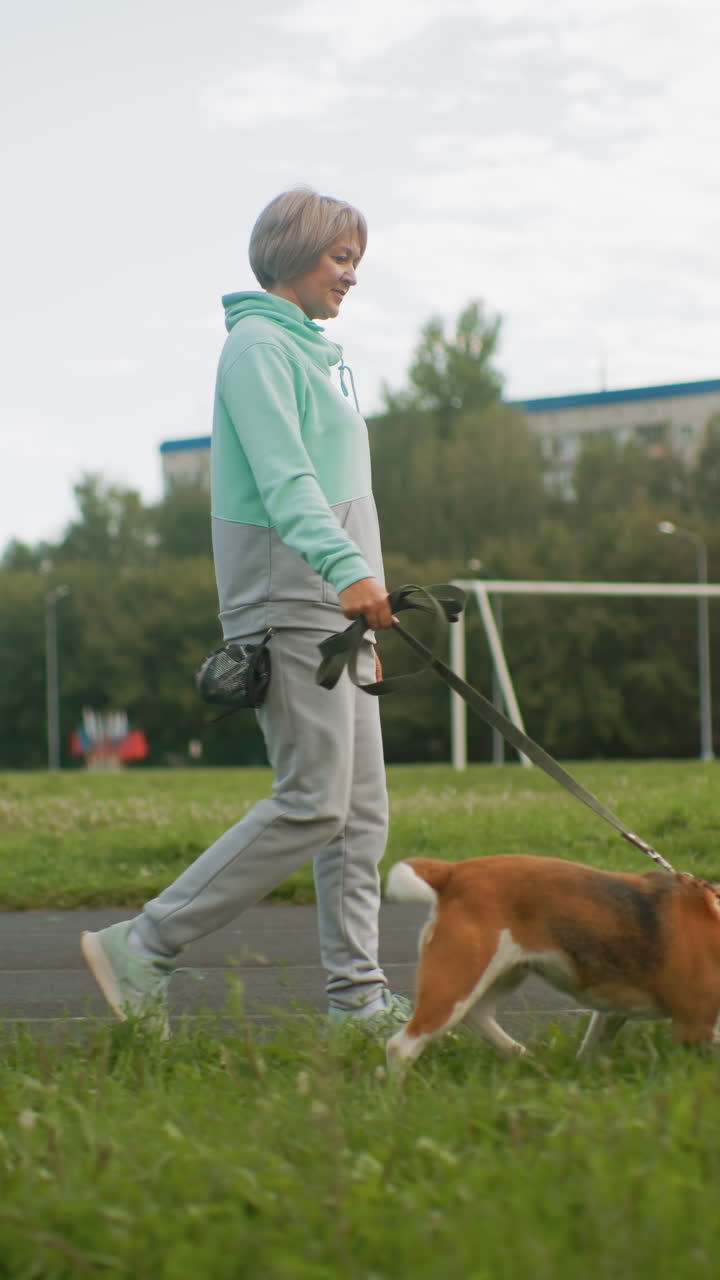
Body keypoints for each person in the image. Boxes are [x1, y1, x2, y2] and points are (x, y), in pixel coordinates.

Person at [81, 186, 412, 1035]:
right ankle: (144, 943)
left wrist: (363, 594)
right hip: (293, 601)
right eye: (340, 257)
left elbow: (339, 493)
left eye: (356, 261)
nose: (351, 275)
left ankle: (358, 1001)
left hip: (337, 608)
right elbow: (286, 481)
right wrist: (347, 570)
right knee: (314, 800)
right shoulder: (258, 347)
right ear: (295, 251)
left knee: (359, 813)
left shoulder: (308, 352)